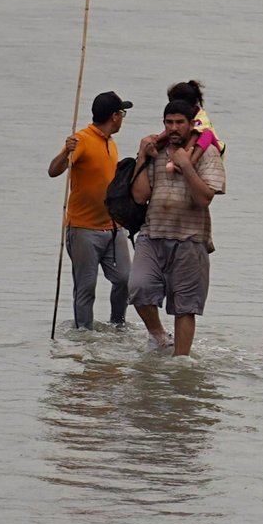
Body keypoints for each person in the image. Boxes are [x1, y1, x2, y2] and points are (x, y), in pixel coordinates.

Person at [127, 100, 227, 355]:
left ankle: (180, 361)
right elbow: (140, 197)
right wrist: (141, 156)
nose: (173, 128)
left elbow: (204, 198)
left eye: (179, 123)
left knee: (185, 307)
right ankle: (159, 335)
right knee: (138, 287)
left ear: (191, 124)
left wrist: (185, 165)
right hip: (152, 233)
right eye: (168, 123)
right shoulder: (156, 151)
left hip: (191, 237)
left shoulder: (207, 152)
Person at [47, 90, 134, 329]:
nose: (123, 118)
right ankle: (84, 334)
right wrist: (66, 151)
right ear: (114, 116)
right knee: (86, 288)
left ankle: (118, 325)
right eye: (122, 113)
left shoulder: (111, 143)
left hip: (114, 228)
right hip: (83, 228)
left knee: (126, 280)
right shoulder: (82, 139)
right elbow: (54, 171)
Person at [166, 80, 225, 158]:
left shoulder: (201, 119)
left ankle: (189, 159)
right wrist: (156, 140)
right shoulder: (184, 118)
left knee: (205, 134)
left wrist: (184, 154)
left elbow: (195, 136)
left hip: (216, 148)